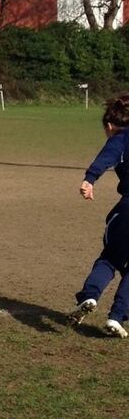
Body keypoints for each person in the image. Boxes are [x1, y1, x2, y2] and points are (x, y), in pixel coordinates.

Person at [68, 94, 129, 338]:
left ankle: (90, 295)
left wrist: (89, 179)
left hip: (127, 211)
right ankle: (116, 318)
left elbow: (106, 157)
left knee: (109, 259)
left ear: (109, 126)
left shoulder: (120, 137)